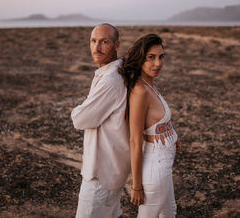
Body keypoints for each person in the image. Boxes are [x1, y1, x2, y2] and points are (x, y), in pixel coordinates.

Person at [71, 23, 131, 218]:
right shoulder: (112, 72)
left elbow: (80, 120)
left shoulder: (111, 79)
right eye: (93, 41)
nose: (96, 48)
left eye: (104, 42)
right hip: (111, 170)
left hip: (100, 175)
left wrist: (77, 110)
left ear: (116, 45)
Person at [118, 34, 181, 218]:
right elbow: (135, 141)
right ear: (140, 59)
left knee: (170, 213)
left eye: (161, 57)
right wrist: (136, 186)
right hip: (156, 168)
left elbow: (158, 121)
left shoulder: (149, 84)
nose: (158, 64)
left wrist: (173, 136)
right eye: (151, 58)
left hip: (164, 164)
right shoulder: (140, 92)